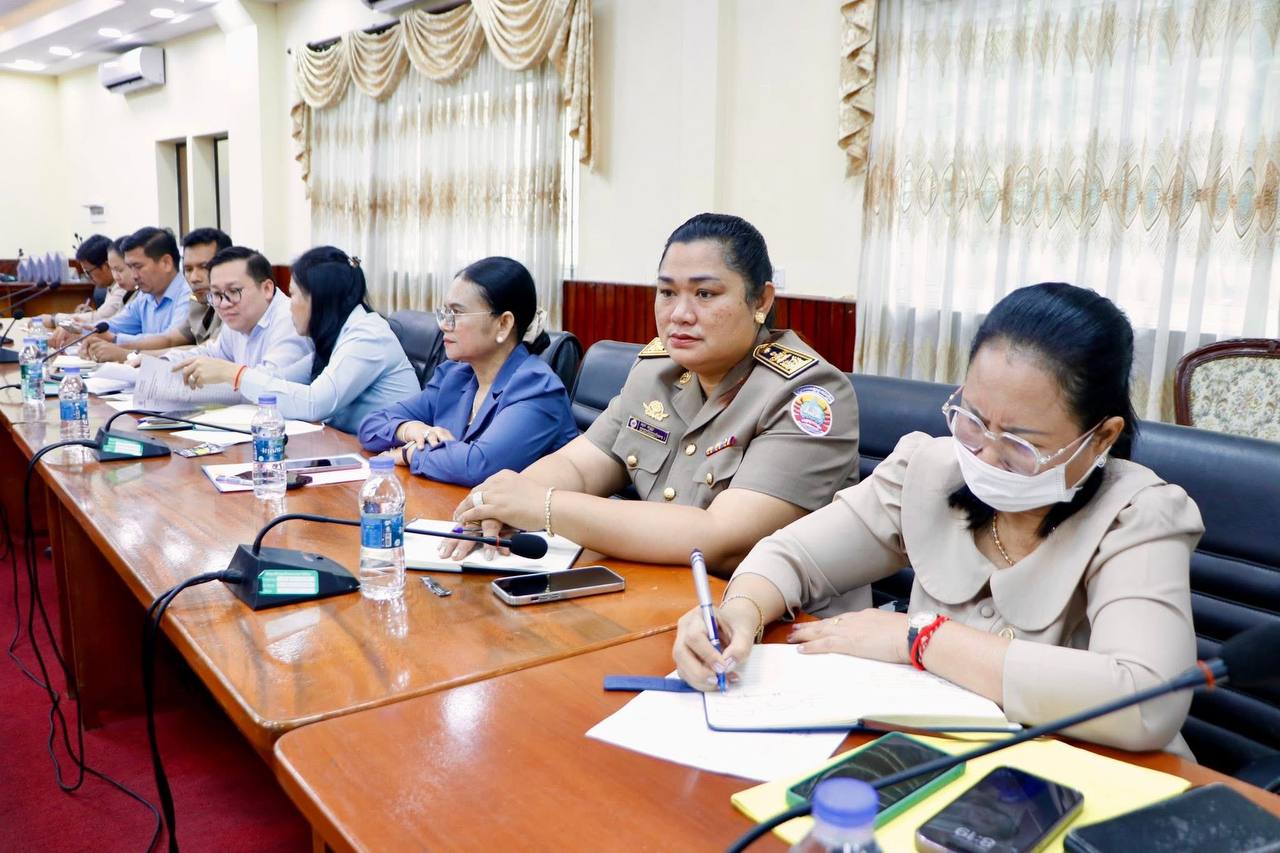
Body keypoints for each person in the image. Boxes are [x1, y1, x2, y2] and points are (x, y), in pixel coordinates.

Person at [672, 283, 1203, 755]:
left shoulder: (1140, 515)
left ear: (1102, 436)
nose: (986, 456)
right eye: (972, 420)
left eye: (1020, 444)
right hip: (933, 759)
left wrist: (920, 639)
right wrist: (739, 613)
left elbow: (1146, 700)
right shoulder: (928, 467)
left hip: (1084, 780)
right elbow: (793, 556)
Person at [445, 213, 859, 570]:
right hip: (657, 585)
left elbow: (721, 536)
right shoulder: (656, 371)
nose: (679, 314)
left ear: (761, 301)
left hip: (777, 619)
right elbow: (580, 465)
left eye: (705, 294)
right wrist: (503, 503)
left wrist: (545, 506)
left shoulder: (807, 395)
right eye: (667, 292)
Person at [358, 257, 578, 488]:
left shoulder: (537, 387)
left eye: (457, 313)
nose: (444, 325)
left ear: (503, 324)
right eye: (445, 312)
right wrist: (411, 429)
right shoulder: (455, 376)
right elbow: (371, 425)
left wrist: (410, 453)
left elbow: (478, 466)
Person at [188, 246, 418, 433]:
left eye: (294, 294)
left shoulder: (367, 336)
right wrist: (232, 375)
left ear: (317, 299)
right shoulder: (335, 336)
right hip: (353, 446)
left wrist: (235, 374)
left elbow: (315, 403)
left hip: (395, 457)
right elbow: (280, 381)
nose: (289, 304)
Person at [169, 246, 313, 383]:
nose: (224, 304)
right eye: (217, 294)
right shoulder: (237, 319)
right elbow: (210, 354)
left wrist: (225, 372)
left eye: (233, 291)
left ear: (267, 289)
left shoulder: (291, 320)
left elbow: (271, 385)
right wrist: (164, 362)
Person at [84, 227, 230, 361]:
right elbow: (173, 339)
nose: (194, 278)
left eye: (204, 267)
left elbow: (205, 350)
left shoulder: (223, 302)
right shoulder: (196, 300)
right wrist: (89, 333)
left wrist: (127, 353)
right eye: (188, 269)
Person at [77, 227, 190, 357]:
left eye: (138, 266)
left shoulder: (189, 295)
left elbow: (172, 340)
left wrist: (115, 340)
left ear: (166, 263)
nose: (134, 275)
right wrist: (79, 331)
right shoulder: (145, 296)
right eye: (130, 267)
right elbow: (114, 325)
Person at [46, 235, 138, 345]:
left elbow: (103, 320)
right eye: (114, 270)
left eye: (119, 270)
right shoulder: (132, 293)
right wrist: (80, 328)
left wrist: (55, 320)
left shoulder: (127, 290)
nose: (116, 277)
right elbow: (114, 324)